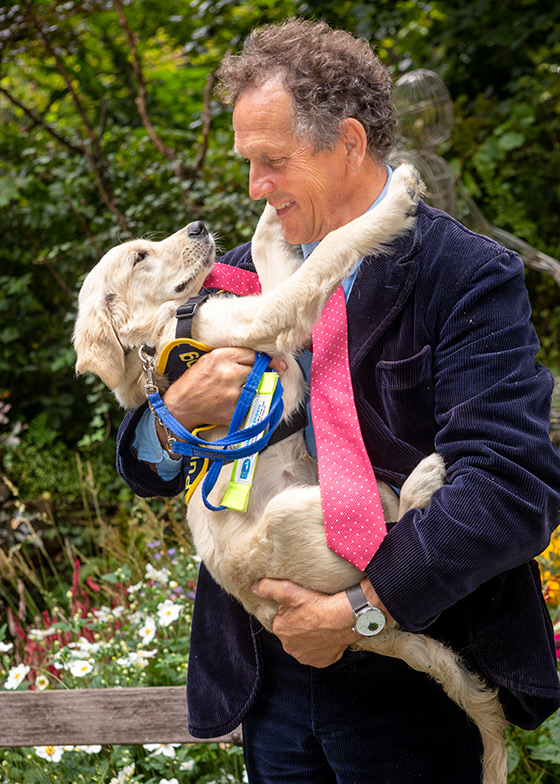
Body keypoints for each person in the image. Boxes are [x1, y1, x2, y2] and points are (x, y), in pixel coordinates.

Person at [116, 18, 560, 783]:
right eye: (247, 162)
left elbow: (512, 487)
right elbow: (145, 466)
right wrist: (176, 412)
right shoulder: (230, 278)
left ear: (349, 143)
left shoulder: (467, 274)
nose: (254, 187)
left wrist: (362, 608)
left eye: (273, 161)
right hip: (272, 674)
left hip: (417, 674)